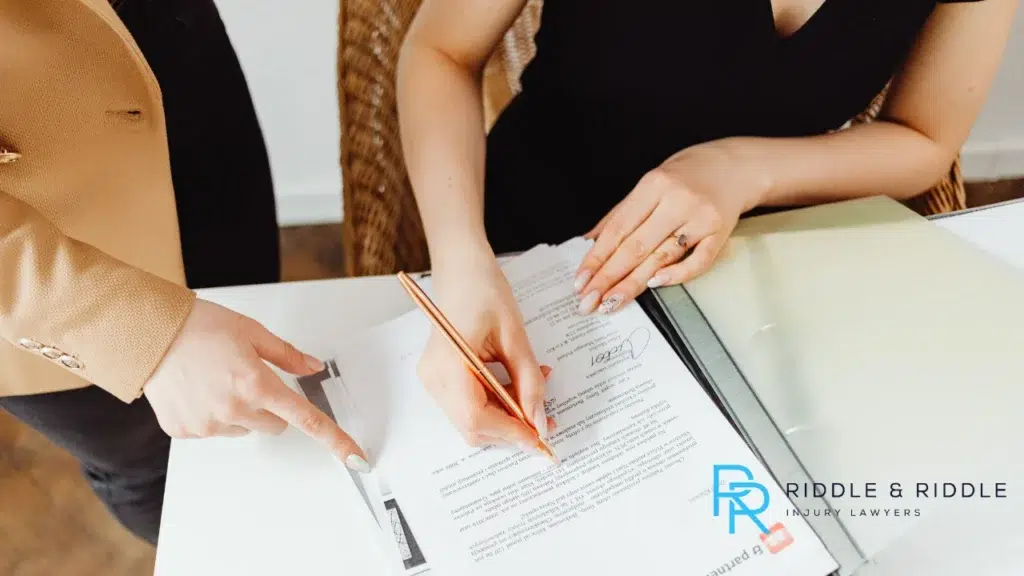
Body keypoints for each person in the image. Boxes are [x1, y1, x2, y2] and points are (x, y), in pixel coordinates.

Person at [395, 0, 1016, 449]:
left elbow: (926, 137)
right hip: (532, 258)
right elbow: (441, 51)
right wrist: (461, 262)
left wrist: (741, 168)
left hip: (759, 279)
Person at [0, 0, 366, 546]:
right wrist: (141, 334)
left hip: (174, 57)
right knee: (146, 468)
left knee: (256, 319)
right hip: (46, 243)